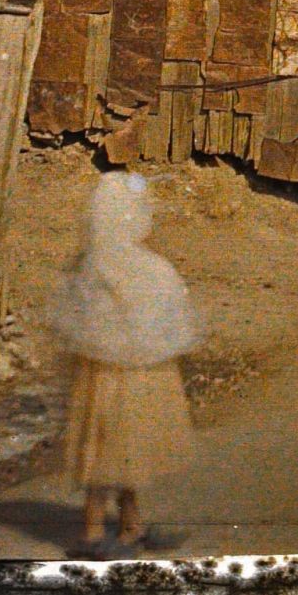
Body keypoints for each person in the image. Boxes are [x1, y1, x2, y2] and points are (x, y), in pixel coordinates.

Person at [46, 172, 200, 558]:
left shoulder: (137, 264)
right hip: (108, 377)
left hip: (127, 373)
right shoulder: (101, 265)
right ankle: (92, 532)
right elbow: (89, 321)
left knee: (128, 449)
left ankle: (132, 525)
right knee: (106, 451)